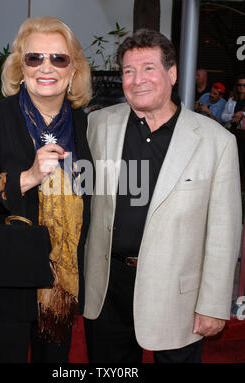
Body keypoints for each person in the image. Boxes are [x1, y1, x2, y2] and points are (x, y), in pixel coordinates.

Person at [83, 28, 242, 363]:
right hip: (108, 287)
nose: (137, 79)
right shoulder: (96, 125)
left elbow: (224, 234)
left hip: (177, 295)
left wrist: (213, 305)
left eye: (148, 68)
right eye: (129, 70)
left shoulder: (216, 142)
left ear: (171, 74)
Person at [0, 16, 93, 363]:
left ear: (73, 69)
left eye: (58, 58)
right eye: (35, 58)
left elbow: (91, 195)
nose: (46, 67)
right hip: (6, 285)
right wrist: (26, 177)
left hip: (61, 285)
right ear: (21, 67)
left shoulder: (83, 125)